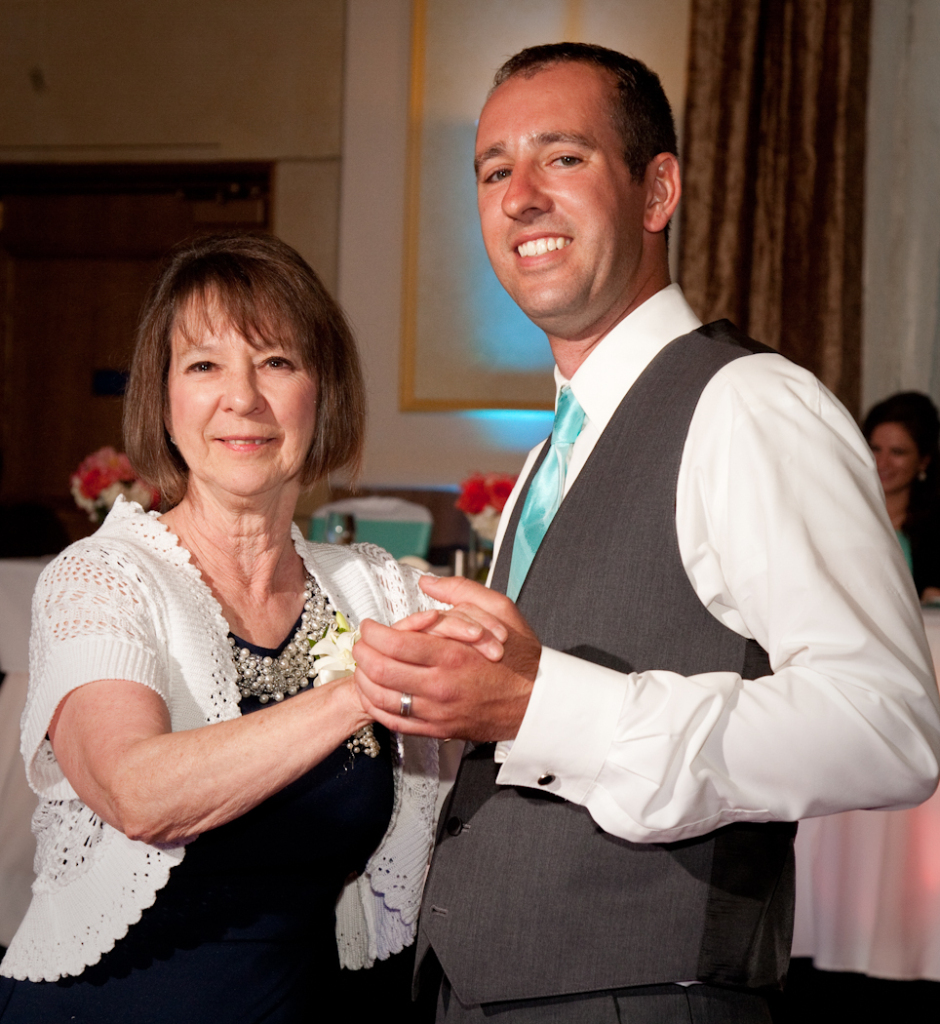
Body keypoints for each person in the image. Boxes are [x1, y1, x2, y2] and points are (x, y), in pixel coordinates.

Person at [351, 43, 940, 1023]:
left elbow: (887, 727)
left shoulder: (750, 406)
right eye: (494, 171)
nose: (520, 197)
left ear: (657, 190)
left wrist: (541, 705)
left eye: (563, 158)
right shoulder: (551, 453)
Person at [0, 233, 464, 1022]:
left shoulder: (378, 590)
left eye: (276, 362)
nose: (242, 398)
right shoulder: (101, 578)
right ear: (163, 400)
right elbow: (137, 793)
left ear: (323, 393)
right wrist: (363, 693)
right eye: (204, 365)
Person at [863, 391, 940, 602]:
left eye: (897, 452)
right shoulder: (839, 512)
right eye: (875, 449)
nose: (882, 463)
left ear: (923, 460)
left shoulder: (935, 527)